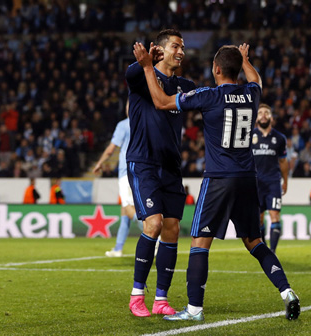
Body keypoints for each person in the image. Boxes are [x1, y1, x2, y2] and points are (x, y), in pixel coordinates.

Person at [133, 42, 300, 321]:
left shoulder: (208, 96)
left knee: (199, 242)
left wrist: (148, 67)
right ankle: (287, 292)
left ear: (217, 69)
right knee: (255, 242)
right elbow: (255, 79)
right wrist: (246, 60)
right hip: (248, 179)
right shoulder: (251, 95)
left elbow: (162, 102)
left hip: (220, 178)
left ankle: (194, 309)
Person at [125, 29, 197, 317]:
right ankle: (136, 296)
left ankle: (161, 299)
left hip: (171, 167)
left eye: (183, 47)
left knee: (172, 228)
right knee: (153, 224)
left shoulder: (186, 85)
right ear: (162, 49)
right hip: (144, 163)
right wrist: (144, 63)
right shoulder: (141, 77)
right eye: (177, 46)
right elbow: (131, 76)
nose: (181, 51)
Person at [93, 101, 143, 257]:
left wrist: (100, 163)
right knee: (124, 211)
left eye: (129, 105)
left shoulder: (124, 125)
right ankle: (118, 248)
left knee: (129, 209)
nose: (128, 107)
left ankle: (154, 236)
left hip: (126, 171)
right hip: (142, 171)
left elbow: (111, 149)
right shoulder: (145, 123)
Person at [251, 103, 289, 252]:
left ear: (271, 118)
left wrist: (285, 181)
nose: (263, 115)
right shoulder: (249, 136)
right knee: (259, 218)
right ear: (256, 118)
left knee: (275, 215)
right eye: (260, 113)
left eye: (266, 113)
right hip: (255, 183)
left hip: (273, 182)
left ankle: (272, 252)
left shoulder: (280, 138)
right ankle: (265, 249)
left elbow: (283, 162)